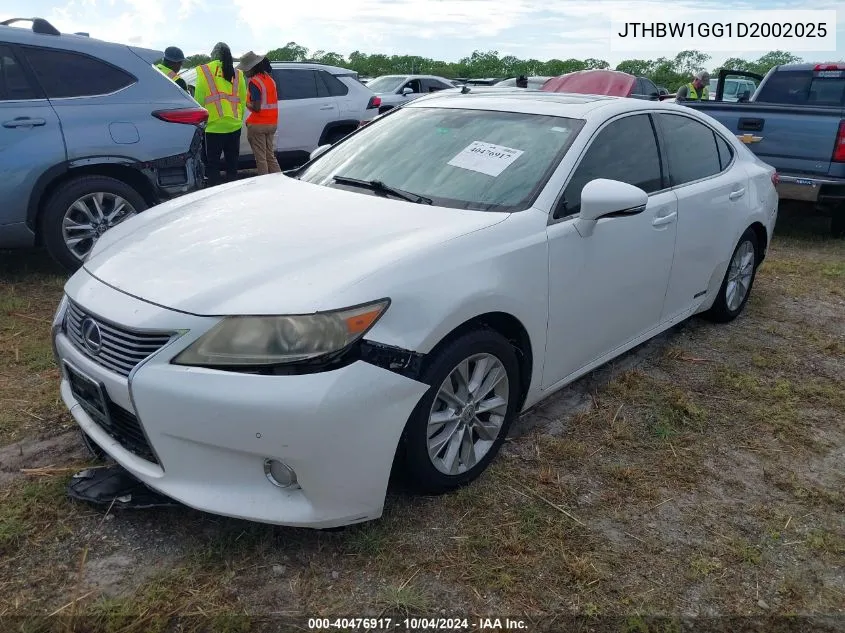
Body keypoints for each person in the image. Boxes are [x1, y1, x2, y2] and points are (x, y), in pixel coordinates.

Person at [194, 42, 248, 186]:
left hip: (213, 126)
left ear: (213, 55)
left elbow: (199, 99)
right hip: (234, 126)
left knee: (212, 166)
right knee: (232, 165)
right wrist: (238, 119)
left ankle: (214, 194)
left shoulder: (205, 71)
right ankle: (232, 191)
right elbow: (242, 100)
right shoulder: (237, 73)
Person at [237, 52, 281, 175]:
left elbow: (256, 107)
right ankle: (279, 181)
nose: (244, 73)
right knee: (270, 156)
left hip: (258, 124)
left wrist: (246, 103)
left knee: (261, 159)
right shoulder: (270, 80)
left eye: (245, 70)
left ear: (252, 68)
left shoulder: (254, 82)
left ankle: (265, 185)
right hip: (272, 123)